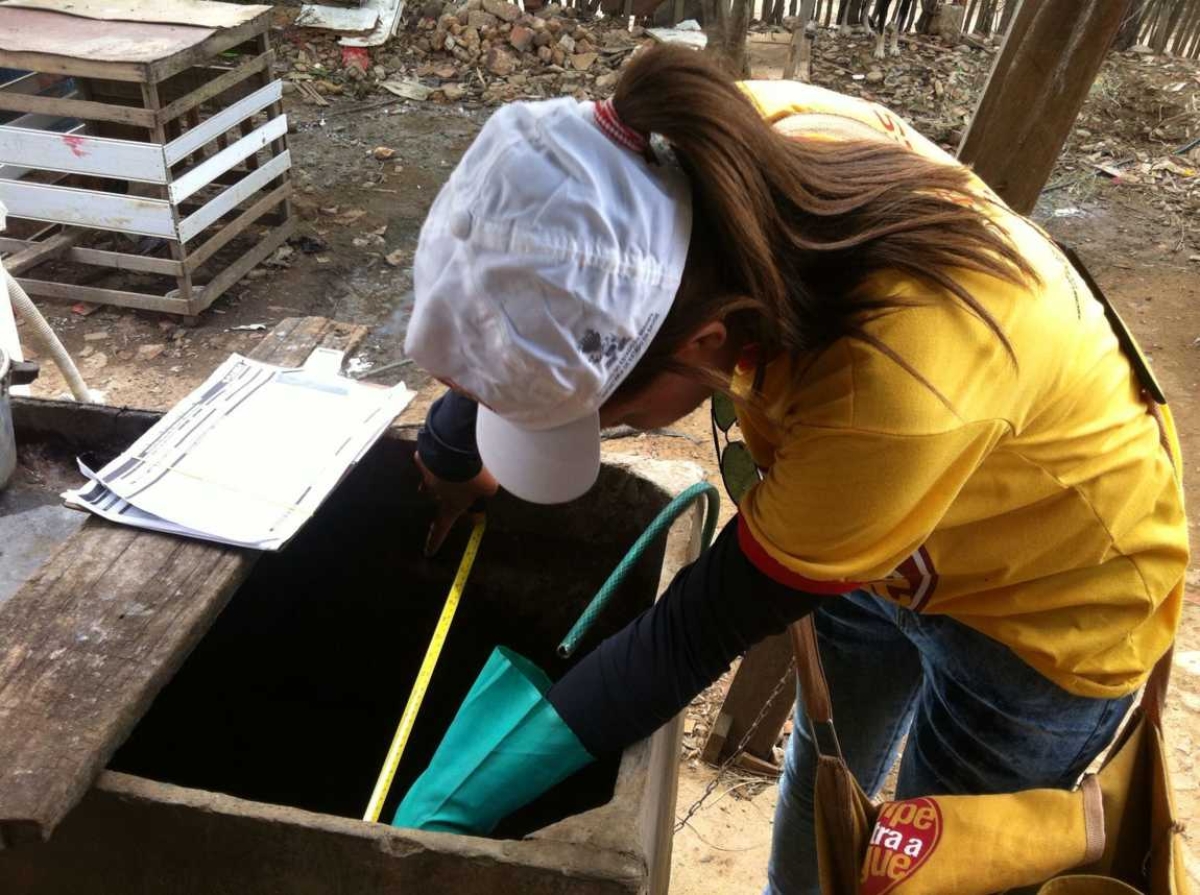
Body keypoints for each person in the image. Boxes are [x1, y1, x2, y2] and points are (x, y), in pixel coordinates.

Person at [402, 45, 1189, 894]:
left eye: (608, 415)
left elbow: (688, 633)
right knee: (827, 782)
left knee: (938, 866)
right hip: (881, 542)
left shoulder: (889, 387)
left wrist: (457, 803)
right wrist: (454, 448)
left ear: (707, 346)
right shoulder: (698, 160)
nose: (606, 428)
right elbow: (522, 277)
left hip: (1044, 607)